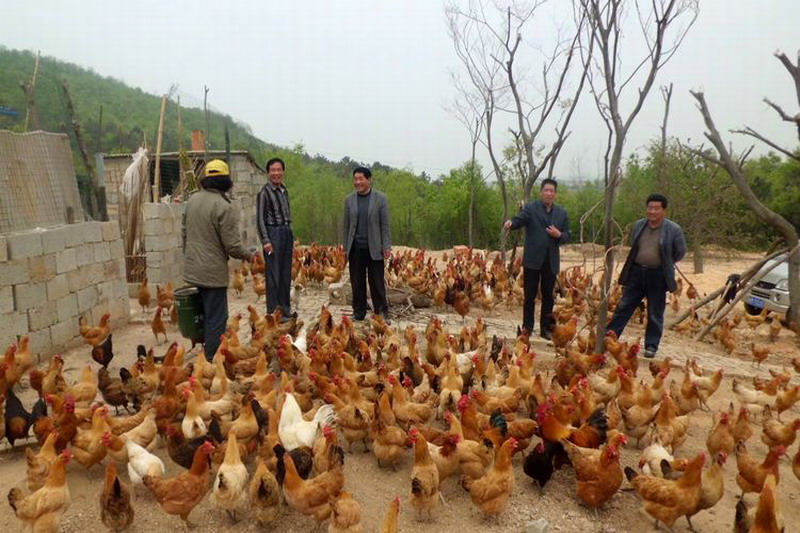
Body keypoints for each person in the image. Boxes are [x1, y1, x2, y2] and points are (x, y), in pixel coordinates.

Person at [183, 159, 253, 361]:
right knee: (216, 318)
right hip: (212, 273)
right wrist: (249, 255)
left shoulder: (192, 200)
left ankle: (202, 354)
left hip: (192, 270)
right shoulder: (223, 206)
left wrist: (190, 257)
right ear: (226, 181)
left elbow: (184, 234)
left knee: (201, 315)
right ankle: (212, 360)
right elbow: (232, 246)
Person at [607, 193, 686, 359]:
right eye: (650, 208)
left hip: (658, 275)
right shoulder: (639, 225)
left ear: (663, 210)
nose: (652, 212)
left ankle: (651, 345)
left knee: (655, 312)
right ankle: (610, 337)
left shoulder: (673, 229)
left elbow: (680, 251)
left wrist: (666, 261)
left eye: (656, 208)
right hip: (636, 272)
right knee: (624, 306)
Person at [503, 178, 570, 339]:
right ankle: (527, 328)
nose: (548, 193)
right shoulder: (531, 208)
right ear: (541, 192)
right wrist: (511, 223)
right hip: (532, 260)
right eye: (546, 190)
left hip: (550, 260)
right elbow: (519, 219)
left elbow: (568, 235)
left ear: (555, 194)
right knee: (529, 296)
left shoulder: (561, 213)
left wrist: (558, 234)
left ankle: (546, 329)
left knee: (548, 297)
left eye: (551, 191)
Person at [342, 166, 391, 321]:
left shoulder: (380, 199)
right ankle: (359, 312)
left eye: (361, 179)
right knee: (357, 282)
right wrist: (345, 247)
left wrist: (386, 246)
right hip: (356, 248)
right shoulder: (349, 200)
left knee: (376, 282)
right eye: (355, 179)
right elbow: (346, 226)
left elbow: (385, 225)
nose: (358, 182)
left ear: (369, 180)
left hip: (374, 247)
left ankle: (381, 312)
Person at [256, 157, 295, 320]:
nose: (276, 173)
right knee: (274, 275)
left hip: (286, 232)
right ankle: (274, 312)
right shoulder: (264, 192)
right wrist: (265, 240)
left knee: (286, 274)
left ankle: (285, 310)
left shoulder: (284, 190)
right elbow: (259, 219)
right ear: (268, 173)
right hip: (273, 234)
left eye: (279, 170)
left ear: (283, 172)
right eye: (273, 170)